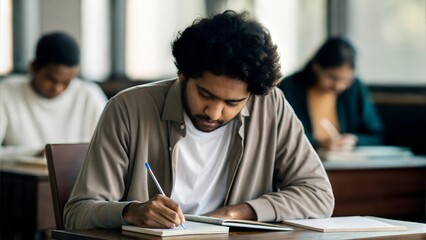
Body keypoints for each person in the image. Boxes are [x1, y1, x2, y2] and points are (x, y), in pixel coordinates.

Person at [64, 11, 334, 230]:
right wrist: (132, 212)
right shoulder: (128, 109)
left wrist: (236, 213)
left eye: (233, 103)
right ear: (183, 73)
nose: (214, 113)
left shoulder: (270, 105)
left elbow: (318, 195)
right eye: (205, 94)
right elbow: (77, 213)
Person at [0, 32, 107, 159]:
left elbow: (108, 149)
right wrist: (34, 154)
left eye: (67, 82)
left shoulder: (89, 95)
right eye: (51, 79)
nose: (58, 88)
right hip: (21, 177)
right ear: (33, 68)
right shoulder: (6, 92)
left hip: (78, 177)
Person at [279, 37, 383, 151]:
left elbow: (375, 134)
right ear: (316, 67)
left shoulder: (355, 88)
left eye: (347, 80)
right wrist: (319, 144)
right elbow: (283, 135)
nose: (339, 86)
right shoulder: (290, 87)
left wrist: (354, 140)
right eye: (332, 77)